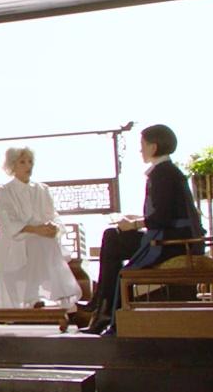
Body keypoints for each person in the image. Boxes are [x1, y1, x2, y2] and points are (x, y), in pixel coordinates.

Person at [85, 123, 204, 334]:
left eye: (143, 144)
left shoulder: (162, 175)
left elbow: (162, 217)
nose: (140, 149)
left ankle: (104, 308)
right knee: (113, 238)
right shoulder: (168, 172)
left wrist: (134, 224)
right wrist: (136, 220)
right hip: (171, 236)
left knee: (112, 239)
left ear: (153, 147)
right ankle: (103, 307)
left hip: (170, 242)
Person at [0, 146, 83, 309]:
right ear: (13, 165)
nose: (28, 166)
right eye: (22, 162)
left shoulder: (42, 189)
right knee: (38, 243)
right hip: (16, 240)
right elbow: (7, 222)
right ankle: (49, 295)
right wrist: (34, 230)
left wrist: (54, 228)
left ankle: (38, 296)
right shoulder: (5, 191)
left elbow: (52, 215)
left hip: (42, 239)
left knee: (45, 242)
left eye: (30, 161)